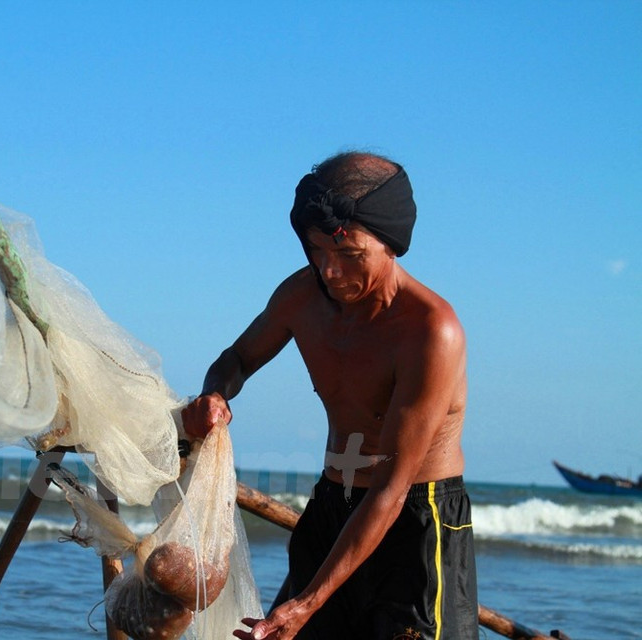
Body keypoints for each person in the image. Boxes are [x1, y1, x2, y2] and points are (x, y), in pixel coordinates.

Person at [181, 151, 478, 639]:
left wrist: (307, 602)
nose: (331, 271)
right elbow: (236, 358)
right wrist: (214, 395)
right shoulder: (302, 296)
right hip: (332, 508)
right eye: (317, 251)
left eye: (349, 255)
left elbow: (391, 488)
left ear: (392, 246)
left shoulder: (430, 332)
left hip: (413, 522)